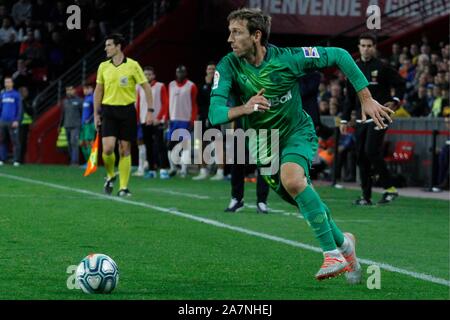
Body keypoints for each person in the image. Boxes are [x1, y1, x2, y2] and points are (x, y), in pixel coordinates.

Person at [209, 8, 394, 282]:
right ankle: (345, 245)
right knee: (300, 198)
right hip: (263, 144)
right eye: (230, 32)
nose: (230, 39)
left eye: (236, 32)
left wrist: (365, 98)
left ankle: (331, 254)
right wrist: (244, 108)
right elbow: (214, 114)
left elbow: (340, 55)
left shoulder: (290, 58)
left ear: (256, 36)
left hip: (297, 131)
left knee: (293, 180)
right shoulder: (228, 66)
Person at [341, 32, 406, 206]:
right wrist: (344, 119)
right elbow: (349, 96)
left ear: (374, 48)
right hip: (362, 118)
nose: (366, 49)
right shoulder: (353, 68)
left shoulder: (382, 67)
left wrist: (395, 101)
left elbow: (401, 83)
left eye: (369, 46)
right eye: (363, 45)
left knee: (371, 151)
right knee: (361, 156)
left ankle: (390, 188)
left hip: (380, 115)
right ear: (359, 47)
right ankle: (366, 196)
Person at [93, 33, 153, 197]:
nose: (106, 48)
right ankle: (111, 175)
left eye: (109, 45)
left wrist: (150, 111)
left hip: (127, 110)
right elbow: (98, 91)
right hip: (108, 110)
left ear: (118, 46)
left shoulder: (133, 65)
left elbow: (146, 87)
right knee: (107, 149)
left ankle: (123, 187)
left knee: (125, 149)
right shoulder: (103, 67)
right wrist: (95, 114)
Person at [225, 118, 270, 213]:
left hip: (262, 122)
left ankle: (262, 201)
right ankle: (237, 198)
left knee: (264, 163)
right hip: (242, 121)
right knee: (237, 161)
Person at [193, 61, 225, 181]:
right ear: (206, 71)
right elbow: (198, 103)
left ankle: (220, 172)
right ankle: (203, 171)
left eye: (213, 69)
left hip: (215, 117)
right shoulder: (200, 85)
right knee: (202, 144)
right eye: (209, 69)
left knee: (218, 144)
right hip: (202, 117)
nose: (211, 71)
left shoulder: (219, 85)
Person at [165, 65, 198, 178]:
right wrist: (166, 118)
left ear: (185, 73)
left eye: (182, 72)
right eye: (178, 72)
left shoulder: (191, 86)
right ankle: (173, 167)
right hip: (173, 120)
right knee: (170, 145)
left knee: (184, 146)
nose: (180, 74)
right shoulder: (171, 85)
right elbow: (168, 102)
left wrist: (192, 120)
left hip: (185, 120)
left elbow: (194, 105)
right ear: (176, 73)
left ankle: (183, 169)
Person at [0, 76, 22, 166]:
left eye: (9, 82)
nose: (7, 84)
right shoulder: (2, 94)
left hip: (13, 121)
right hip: (2, 121)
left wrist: (17, 120)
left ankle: (16, 160)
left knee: (15, 141)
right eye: (6, 82)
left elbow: (19, 108)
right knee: (2, 141)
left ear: (12, 83)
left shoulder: (16, 94)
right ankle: (2, 159)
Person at [62, 85, 83, 165]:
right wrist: (60, 125)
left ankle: (75, 162)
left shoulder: (80, 101)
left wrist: (82, 124)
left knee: (74, 142)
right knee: (69, 144)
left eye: (70, 90)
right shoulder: (65, 101)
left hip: (76, 126)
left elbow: (82, 114)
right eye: (67, 90)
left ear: (74, 90)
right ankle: (72, 160)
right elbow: (63, 115)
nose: (69, 91)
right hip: (67, 125)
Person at [80, 83, 95, 166]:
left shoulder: (93, 98)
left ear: (91, 89)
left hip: (89, 124)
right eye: (84, 89)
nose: (84, 90)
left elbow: (97, 110)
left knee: (90, 142)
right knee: (82, 143)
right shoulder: (85, 98)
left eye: (86, 89)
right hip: (83, 124)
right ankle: (88, 161)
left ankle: (91, 162)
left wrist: (89, 119)